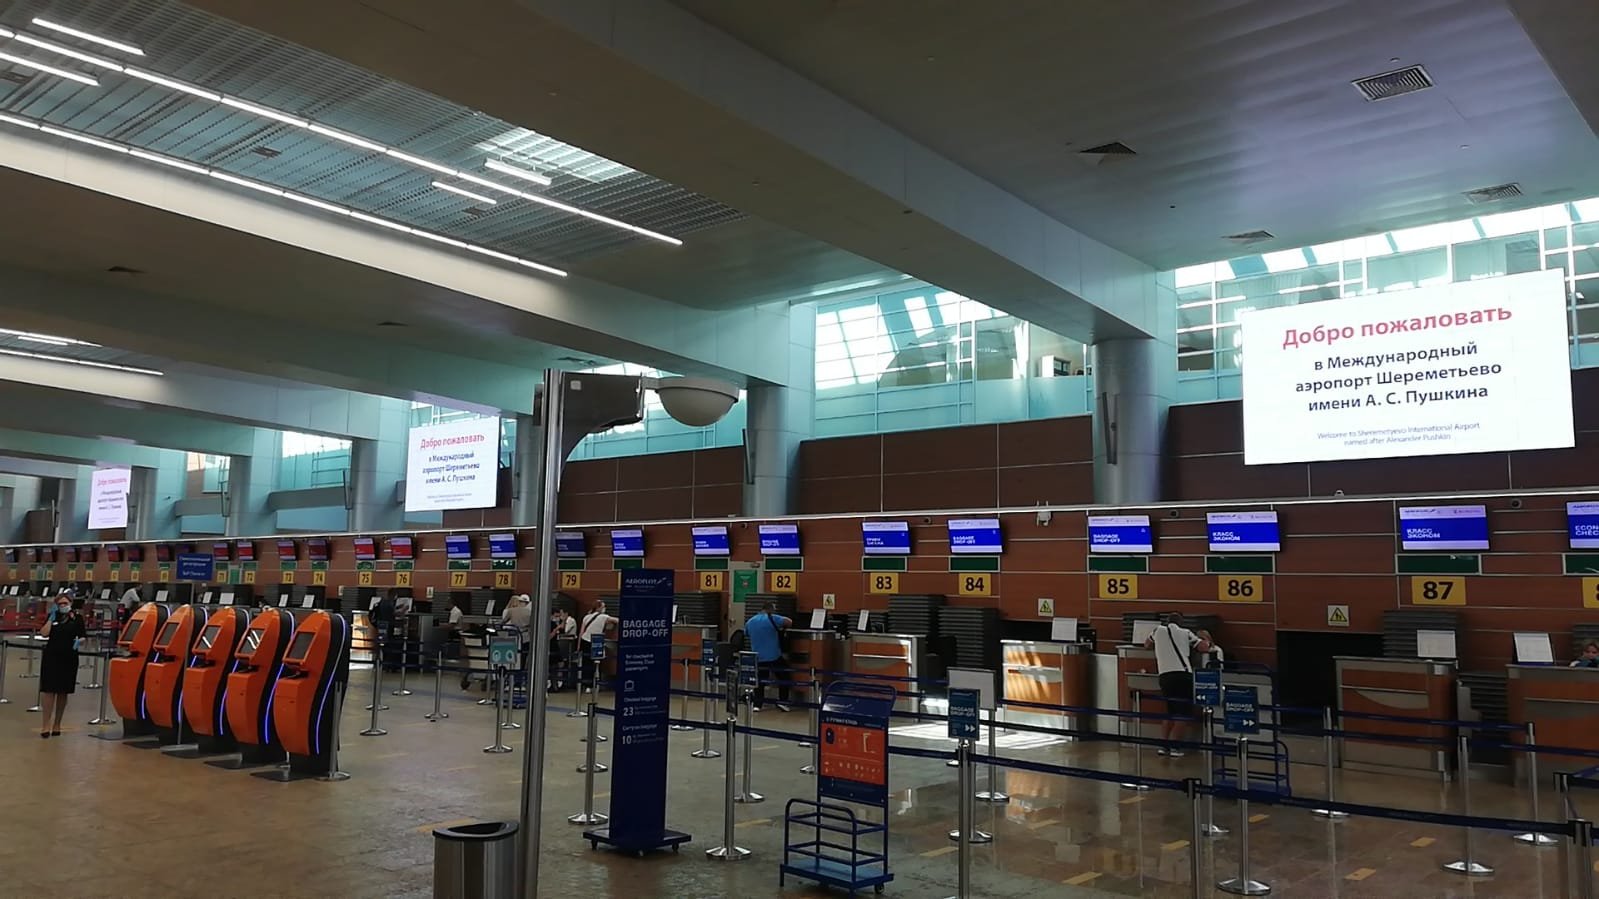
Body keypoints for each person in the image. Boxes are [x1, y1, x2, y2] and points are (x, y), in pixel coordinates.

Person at [1143, 612, 1210, 758]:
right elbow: (1203, 647)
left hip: (1164, 676)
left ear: (1167, 621)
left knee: (1169, 712)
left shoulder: (1157, 630)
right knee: (1182, 714)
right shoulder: (1185, 632)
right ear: (1181, 622)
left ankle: (1164, 746)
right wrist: (1207, 639)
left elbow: (1146, 644)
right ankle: (1175, 747)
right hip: (1182, 675)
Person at [37, 591, 86, 739]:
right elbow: (44, 633)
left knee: (63, 691)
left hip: (69, 657)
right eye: (60, 604)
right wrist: (51, 619)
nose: (63, 606)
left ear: (70, 603)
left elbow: (83, 636)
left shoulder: (77, 618)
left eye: (65, 603)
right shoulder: (53, 616)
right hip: (52, 656)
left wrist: (79, 642)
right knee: (48, 691)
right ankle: (45, 724)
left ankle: (57, 724)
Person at [746, 602, 793, 712]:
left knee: (760, 681)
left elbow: (746, 633)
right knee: (784, 677)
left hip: (758, 657)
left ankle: (757, 705)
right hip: (774, 656)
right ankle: (783, 702)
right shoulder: (772, 618)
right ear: (770, 609)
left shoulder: (750, 621)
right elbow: (789, 622)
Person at [577, 601, 616, 692]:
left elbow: (581, 632)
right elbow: (617, 620)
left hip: (584, 640)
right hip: (596, 642)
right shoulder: (603, 617)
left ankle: (586, 685)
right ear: (599, 608)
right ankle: (595, 684)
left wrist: (578, 645)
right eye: (603, 606)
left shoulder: (586, 617)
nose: (604, 608)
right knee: (596, 663)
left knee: (586, 664)